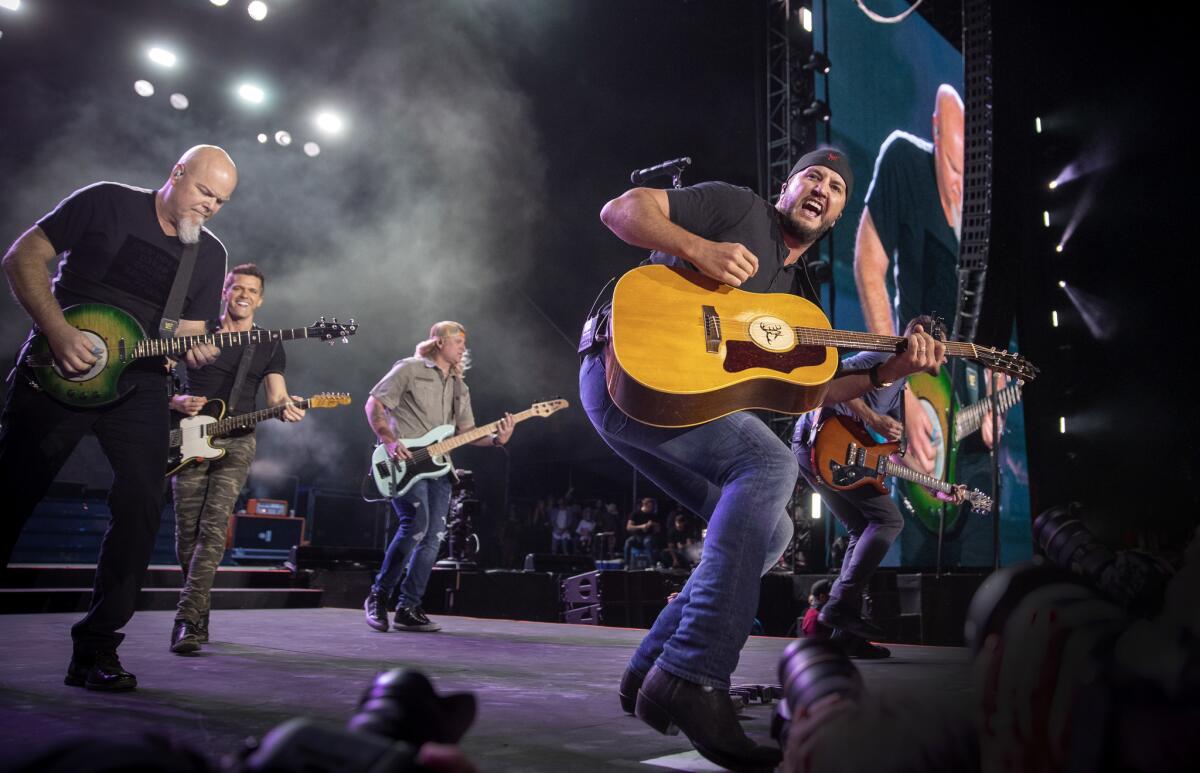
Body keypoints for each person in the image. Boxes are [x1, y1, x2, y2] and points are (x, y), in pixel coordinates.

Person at [580, 147, 947, 771]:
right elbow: (622, 210)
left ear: (836, 215)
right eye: (812, 177)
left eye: (835, 187)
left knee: (772, 530)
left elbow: (817, 390)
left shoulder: (795, 298)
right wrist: (699, 249)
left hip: (673, 406)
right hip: (622, 371)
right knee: (773, 467)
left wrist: (892, 368)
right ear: (786, 187)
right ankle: (694, 674)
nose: (822, 189)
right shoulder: (738, 207)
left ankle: (651, 672)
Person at [0, 145, 237, 691]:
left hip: (140, 382)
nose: (210, 207)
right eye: (205, 191)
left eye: (221, 201)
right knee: (11, 493)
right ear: (177, 174)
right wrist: (57, 332)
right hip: (61, 368)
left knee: (140, 506)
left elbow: (191, 333)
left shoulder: (209, 253)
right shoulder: (106, 202)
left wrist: (198, 347)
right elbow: (22, 257)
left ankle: (96, 651)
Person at [792, 315, 966, 658]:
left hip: (824, 450)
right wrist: (872, 418)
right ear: (920, 340)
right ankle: (840, 605)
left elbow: (894, 453)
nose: (944, 358)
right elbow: (828, 379)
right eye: (940, 349)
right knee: (888, 521)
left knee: (864, 528)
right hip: (818, 442)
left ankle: (844, 634)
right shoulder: (879, 357)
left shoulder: (900, 384)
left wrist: (936, 485)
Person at [167, 264, 306, 654]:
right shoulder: (197, 330)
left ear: (260, 300)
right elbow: (156, 376)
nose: (243, 294)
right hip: (189, 440)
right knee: (186, 535)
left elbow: (277, 396)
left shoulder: (269, 342)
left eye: (252, 290)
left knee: (213, 530)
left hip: (239, 441)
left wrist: (287, 407)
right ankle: (199, 614)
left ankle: (186, 620)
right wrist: (175, 400)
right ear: (225, 291)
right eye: (237, 287)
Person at [362, 321, 514, 632]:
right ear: (439, 342)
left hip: (440, 469)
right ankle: (378, 595)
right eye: (457, 340)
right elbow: (374, 404)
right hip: (403, 462)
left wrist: (498, 438)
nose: (462, 347)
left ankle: (408, 607)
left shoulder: (460, 385)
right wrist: (389, 440)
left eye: (464, 342)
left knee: (433, 538)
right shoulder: (410, 369)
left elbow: (468, 433)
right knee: (415, 526)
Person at [623, 497, 661, 568]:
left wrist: (653, 524)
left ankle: (652, 564)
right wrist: (642, 526)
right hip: (637, 537)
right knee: (628, 542)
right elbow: (628, 527)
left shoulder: (653, 516)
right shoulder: (635, 514)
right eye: (650, 506)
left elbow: (658, 530)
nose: (651, 508)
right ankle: (626, 564)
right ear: (644, 505)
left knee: (648, 542)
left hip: (648, 537)